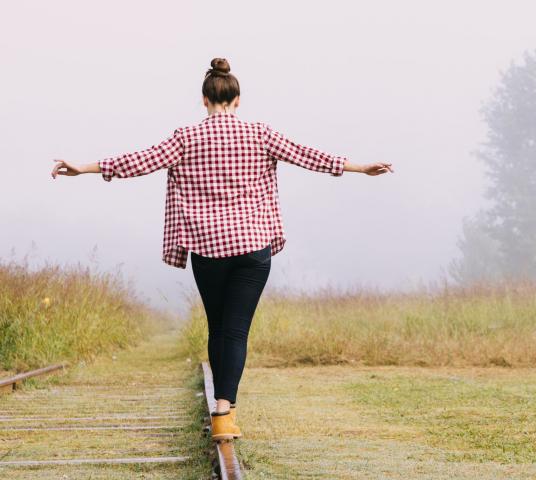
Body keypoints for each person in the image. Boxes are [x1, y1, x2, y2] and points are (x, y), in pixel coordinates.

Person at [50, 57, 394, 441]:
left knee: (218, 328)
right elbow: (308, 156)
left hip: (207, 249)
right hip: (252, 248)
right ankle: (224, 413)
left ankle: (222, 410)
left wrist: (83, 168)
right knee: (236, 331)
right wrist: (361, 167)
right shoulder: (260, 133)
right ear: (238, 100)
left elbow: (136, 162)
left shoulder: (185, 137)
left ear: (204, 100)